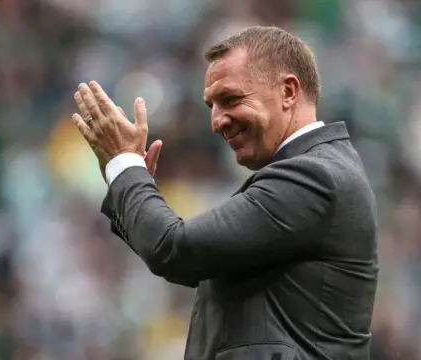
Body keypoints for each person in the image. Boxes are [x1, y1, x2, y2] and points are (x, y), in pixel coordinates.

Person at [71, 26, 378, 360]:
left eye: (230, 99)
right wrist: (128, 185)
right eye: (211, 106)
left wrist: (125, 169)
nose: (217, 121)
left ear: (289, 92)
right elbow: (187, 258)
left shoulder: (313, 175)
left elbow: (174, 250)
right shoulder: (315, 173)